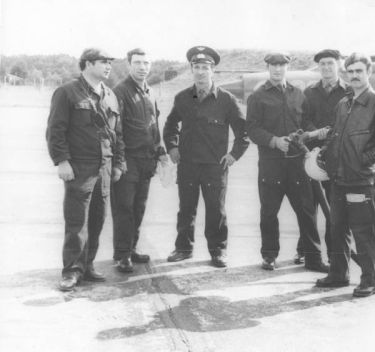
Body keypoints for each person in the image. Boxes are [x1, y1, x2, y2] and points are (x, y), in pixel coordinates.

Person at [315, 53, 375, 297]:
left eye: (359, 71)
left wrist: (363, 161)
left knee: (365, 232)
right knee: (337, 228)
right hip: (339, 180)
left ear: (368, 73)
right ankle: (338, 274)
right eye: (350, 71)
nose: (354, 76)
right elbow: (337, 137)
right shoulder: (344, 103)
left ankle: (371, 280)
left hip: (361, 181)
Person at [46, 48, 126, 291]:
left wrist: (119, 163)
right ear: (88, 64)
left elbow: (118, 134)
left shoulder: (110, 95)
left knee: (97, 220)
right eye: (103, 62)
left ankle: (88, 264)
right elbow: (55, 131)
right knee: (76, 221)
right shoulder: (67, 92)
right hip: (79, 166)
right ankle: (71, 270)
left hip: (104, 167)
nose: (108, 66)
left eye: (110, 62)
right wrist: (62, 161)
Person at [163, 46, 249, 268]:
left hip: (214, 166)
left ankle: (218, 251)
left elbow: (243, 132)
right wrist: (172, 148)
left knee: (215, 210)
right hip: (188, 165)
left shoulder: (226, 100)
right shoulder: (182, 98)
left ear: (213, 72)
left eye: (205, 68)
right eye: (196, 67)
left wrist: (233, 155)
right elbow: (170, 125)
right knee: (186, 209)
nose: (200, 72)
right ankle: (183, 248)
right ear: (191, 70)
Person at [246, 52, 328, 272]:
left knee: (307, 211)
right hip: (271, 164)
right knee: (269, 212)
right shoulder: (257, 97)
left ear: (287, 68)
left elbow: (305, 121)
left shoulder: (298, 94)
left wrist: (314, 133)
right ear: (268, 68)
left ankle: (313, 258)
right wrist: (273, 141)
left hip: (296, 164)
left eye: (281, 65)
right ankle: (269, 256)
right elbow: (252, 129)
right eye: (273, 65)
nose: (277, 69)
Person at [111, 48, 168, 273]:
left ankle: (131, 248)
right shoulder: (120, 91)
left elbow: (154, 127)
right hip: (128, 160)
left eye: (146, 63)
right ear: (129, 65)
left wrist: (160, 152)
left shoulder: (149, 92)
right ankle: (122, 255)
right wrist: (119, 160)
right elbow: (117, 129)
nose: (143, 67)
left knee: (139, 208)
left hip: (146, 160)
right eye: (138, 63)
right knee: (124, 208)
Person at [295, 49, 351, 265]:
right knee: (308, 207)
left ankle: (334, 254)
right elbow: (303, 120)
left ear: (338, 65)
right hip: (312, 158)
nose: (326, 68)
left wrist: (332, 135)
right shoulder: (309, 92)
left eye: (330, 63)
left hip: (337, 159)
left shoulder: (348, 92)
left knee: (334, 209)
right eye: (322, 64)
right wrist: (317, 132)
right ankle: (306, 250)